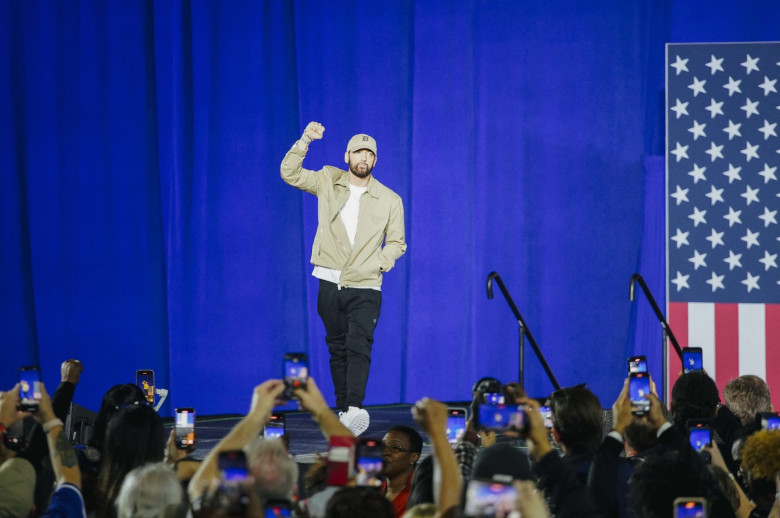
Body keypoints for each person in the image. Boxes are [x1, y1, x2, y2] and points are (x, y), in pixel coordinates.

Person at [280, 121, 407, 436]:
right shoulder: (327, 180)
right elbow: (290, 173)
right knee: (337, 347)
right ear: (347, 156)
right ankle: (344, 411)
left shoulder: (390, 199)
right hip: (329, 279)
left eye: (369, 155)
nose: (364, 159)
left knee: (359, 344)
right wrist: (305, 140)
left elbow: (397, 242)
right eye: (358, 153)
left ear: (375, 161)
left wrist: (380, 262)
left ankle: (354, 407)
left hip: (366, 284)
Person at [381, 425, 422, 518]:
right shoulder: (374, 493)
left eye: (395, 448)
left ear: (413, 457)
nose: (384, 452)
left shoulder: (419, 498)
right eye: (383, 445)